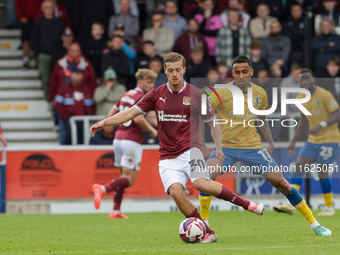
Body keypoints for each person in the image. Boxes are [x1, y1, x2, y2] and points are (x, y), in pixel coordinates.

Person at [90, 52, 265, 243]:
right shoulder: (156, 94)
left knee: (200, 183)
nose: (174, 74)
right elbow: (130, 113)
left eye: (178, 70)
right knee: (175, 192)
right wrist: (104, 123)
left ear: (184, 70)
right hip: (167, 155)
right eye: (170, 70)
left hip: (192, 149)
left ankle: (248, 205)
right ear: (165, 71)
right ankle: (208, 231)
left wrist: (219, 148)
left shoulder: (196, 95)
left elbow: (213, 123)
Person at [198, 55, 332, 236]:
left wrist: (270, 141)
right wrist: (204, 145)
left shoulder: (260, 93)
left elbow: (261, 119)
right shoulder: (221, 93)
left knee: (283, 184)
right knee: (206, 180)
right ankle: (204, 226)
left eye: (245, 71)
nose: (241, 75)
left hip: (253, 147)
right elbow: (202, 115)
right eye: (237, 72)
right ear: (233, 74)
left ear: (251, 72)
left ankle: (315, 224)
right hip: (226, 148)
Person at [92, 69, 158, 218]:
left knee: (122, 176)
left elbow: (111, 113)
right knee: (129, 180)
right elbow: (138, 119)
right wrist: (152, 131)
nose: (151, 85)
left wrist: (109, 125)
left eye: (152, 82)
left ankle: (115, 210)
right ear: (139, 81)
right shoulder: (141, 97)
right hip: (132, 140)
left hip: (118, 139)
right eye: (149, 82)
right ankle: (102, 189)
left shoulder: (126, 94)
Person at [273, 69, 340, 216]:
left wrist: (320, 125)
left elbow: (337, 114)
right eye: (302, 79)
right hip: (313, 139)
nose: (304, 82)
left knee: (322, 171)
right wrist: (293, 141)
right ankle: (291, 204)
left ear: (313, 79)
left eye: (307, 79)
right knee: (298, 166)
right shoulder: (301, 97)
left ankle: (329, 207)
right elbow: (304, 119)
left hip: (329, 138)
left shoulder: (324, 94)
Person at [31, 0, 65, 101]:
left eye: (51, 7)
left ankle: (58, 100)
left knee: (59, 78)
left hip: (58, 55)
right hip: (44, 55)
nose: (49, 9)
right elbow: (34, 38)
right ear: (42, 9)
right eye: (46, 7)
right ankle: (49, 100)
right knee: (46, 79)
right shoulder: (39, 22)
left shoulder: (59, 22)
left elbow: (63, 38)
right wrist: (38, 53)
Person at [55, 69, 96, 145]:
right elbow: (57, 104)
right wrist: (66, 117)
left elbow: (91, 107)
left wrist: (89, 118)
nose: (79, 76)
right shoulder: (64, 88)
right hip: (68, 121)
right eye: (77, 74)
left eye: (81, 74)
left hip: (83, 121)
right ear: (71, 75)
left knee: (83, 141)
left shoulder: (86, 89)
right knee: (67, 139)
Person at [16, 0, 42, 67]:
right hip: (26, 20)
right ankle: (26, 58)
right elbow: (18, 4)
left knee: (39, 39)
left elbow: (43, 4)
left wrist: (38, 17)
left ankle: (38, 59)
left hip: (38, 19)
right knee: (26, 39)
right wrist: (21, 16)